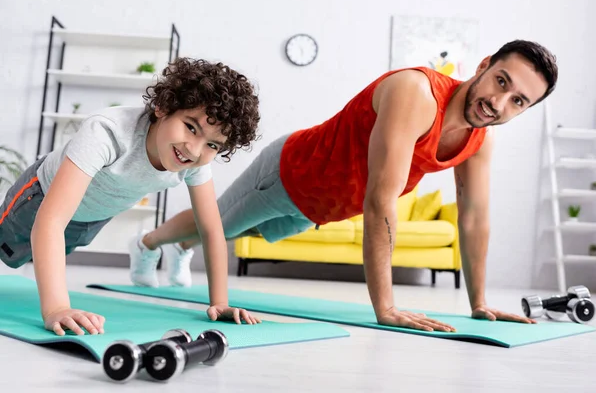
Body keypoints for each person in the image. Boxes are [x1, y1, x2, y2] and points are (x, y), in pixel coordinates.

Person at [131, 40, 558, 332]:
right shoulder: (417, 92)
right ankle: (148, 243)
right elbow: (382, 201)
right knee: (219, 226)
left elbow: (474, 218)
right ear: (484, 66)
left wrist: (479, 303)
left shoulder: (479, 139)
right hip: (290, 173)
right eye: (502, 81)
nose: (499, 103)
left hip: (319, 207)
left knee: (240, 230)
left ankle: (180, 249)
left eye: (518, 100)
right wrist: (385, 308)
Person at [0, 57, 262, 336]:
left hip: (91, 217)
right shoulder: (106, 132)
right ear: (163, 107)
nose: (195, 150)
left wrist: (220, 303)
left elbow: (211, 230)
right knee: (6, 247)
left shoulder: (195, 163)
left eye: (212, 144)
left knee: (30, 258)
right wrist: (56, 309)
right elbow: (51, 219)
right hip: (41, 196)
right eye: (191, 127)